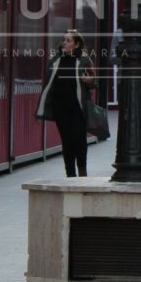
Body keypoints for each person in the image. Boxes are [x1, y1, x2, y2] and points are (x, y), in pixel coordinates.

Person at [36, 29, 95, 177]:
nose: (64, 43)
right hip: (60, 108)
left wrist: (90, 81)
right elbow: (47, 85)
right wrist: (40, 110)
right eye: (64, 40)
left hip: (79, 108)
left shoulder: (84, 59)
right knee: (67, 141)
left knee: (80, 141)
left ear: (76, 44)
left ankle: (82, 173)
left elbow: (95, 80)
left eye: (68, 40)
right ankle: (70, 175)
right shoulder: (55, 60)